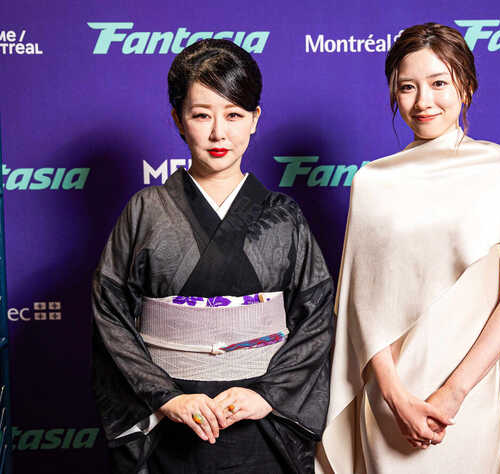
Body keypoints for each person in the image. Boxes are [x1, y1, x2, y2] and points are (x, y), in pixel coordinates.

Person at [318, 23, 500, 473]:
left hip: (470, 399)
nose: (423, 101)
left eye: (439, 83)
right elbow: (360, 304)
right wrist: (393, 396)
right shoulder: (373, 181)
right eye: (408, 87)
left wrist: (453, 393)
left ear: (466, 85)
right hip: (390, 399)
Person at [92, 38, 334, 473]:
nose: (219, 132)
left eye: (234, 115)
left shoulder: (284, 216)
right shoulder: (145, 211)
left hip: (259, 420)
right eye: (202, 115)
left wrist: (267, 395)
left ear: (255, 119)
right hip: (171, 420)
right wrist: (167, 398)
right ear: (178, 120)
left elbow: (317, 315)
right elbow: (110, 314)